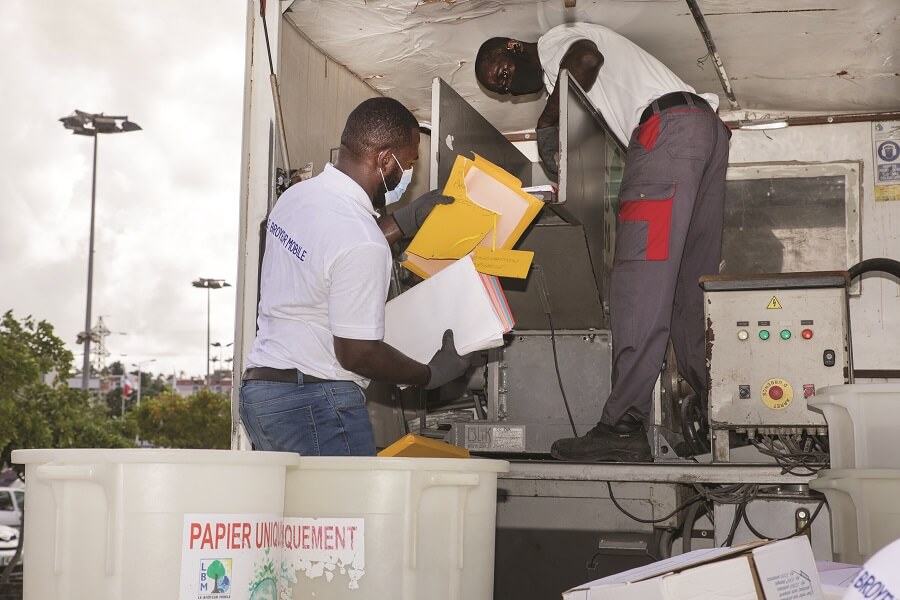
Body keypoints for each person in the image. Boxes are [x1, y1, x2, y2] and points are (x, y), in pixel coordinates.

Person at [475, 23, 731, 462]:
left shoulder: (557, 42)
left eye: (499, 73)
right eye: (502, 90)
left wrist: (548, 120)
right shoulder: (586, 88)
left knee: (637, 285)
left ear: (514, 47)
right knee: (690, 293)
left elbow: (586, 59)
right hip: (705, 132)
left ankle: (622, 426)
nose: (507, 87)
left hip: (666, 131)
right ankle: (725, 413)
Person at [239, 97, 471, 456]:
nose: (408, 176)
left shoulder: (297, 198)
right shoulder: (361, 240)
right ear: (384, 159)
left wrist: (403, 221)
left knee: (298, 513)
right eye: (408, 163)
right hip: (315, 403)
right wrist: (430, 375)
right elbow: (357, 354)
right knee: (344, 513)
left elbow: (333, 255)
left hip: (263, 393)